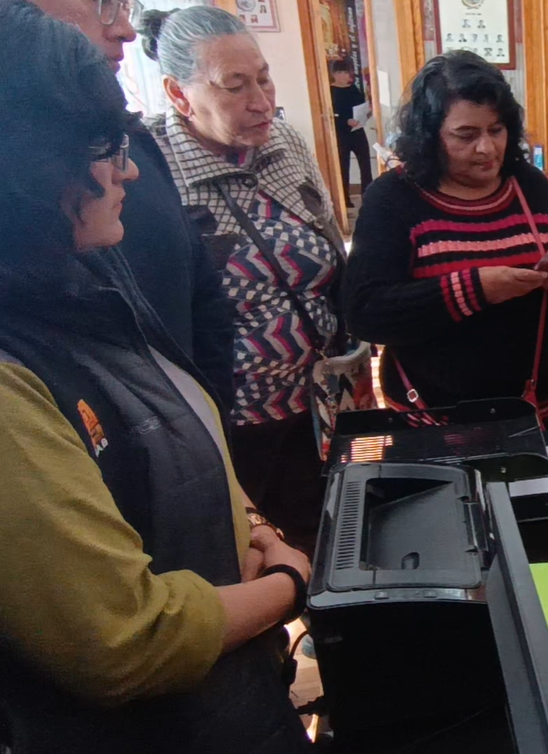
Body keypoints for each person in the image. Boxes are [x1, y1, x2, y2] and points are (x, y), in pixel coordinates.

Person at [0, 3, 311, 751]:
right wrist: (289, 585)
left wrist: (257, 527)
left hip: (229, 692)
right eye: (103, 149)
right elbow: (125, 640)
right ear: (33, 173)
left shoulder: (84, 272)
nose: (130, 170)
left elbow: (182, 408)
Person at [143, 5, 346, 555]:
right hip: (232, 422)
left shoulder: (285, 141)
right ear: (179, 94)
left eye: (263, 77)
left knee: (337, 529)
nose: (261, 100)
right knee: (252, 551)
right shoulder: (148, 169)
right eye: (234, 86)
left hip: (323, 395)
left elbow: (330, 246)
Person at [343, 52, 548, 428]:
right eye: (466, 135)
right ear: (429, 135)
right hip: (432, 420)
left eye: (496, 130)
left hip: (538, 410)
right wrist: (473, 289)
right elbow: (365, 313)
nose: (486, 148)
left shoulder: (528, 184)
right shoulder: (393, 198)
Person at [31, 0, 235, 407]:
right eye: (101, 5)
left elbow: (201, 297)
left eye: (124, 4)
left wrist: (210, 423)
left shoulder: (133, 141)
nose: (126, 29)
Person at [330, 57, 373, 208]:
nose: (343, 76)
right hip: (342, 134)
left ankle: (367, 197)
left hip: (358, 131)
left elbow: (362, 106)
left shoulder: (354, 89)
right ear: (334, 74)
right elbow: (332, 115)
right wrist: (345, 121)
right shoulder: (330, 91)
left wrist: (366, 114)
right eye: (340, 72)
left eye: (345, 72)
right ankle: (345, 200)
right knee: (343, 166)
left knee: (366, 164)